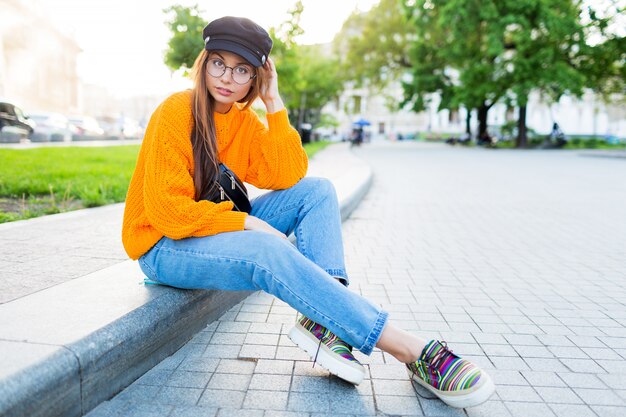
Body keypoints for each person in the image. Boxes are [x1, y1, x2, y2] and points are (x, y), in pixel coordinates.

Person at [122, 16, 495, 409]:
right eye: (219, 63)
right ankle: (410, 349)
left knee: (317, 191)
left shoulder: (242, 120)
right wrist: (248, 222)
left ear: (256, 77)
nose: (227, 77)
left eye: (242, 69)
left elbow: (289, 172)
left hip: (209, 231)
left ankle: (323, 324)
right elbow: (168, 212)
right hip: (164, 247)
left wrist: (274, 103)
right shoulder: (176, 111)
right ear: (203, 63)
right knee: (266, 249)